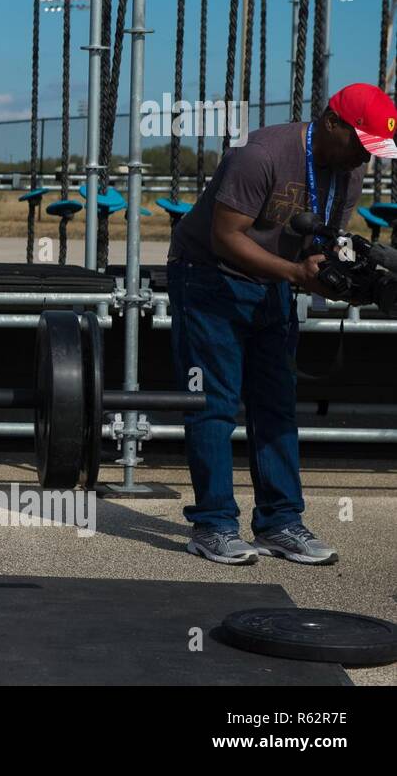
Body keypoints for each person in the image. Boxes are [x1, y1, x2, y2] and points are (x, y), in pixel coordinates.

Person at [167, 82, 397, 565]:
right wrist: (297, 273)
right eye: (362, 144)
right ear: (333, 122)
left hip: (272, 283)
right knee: (214, 401)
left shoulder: (346, 175)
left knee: (275, 404)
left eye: (373, 150)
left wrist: (333, 271)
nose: (365, 158)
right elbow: (227, 236)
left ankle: (280, 523)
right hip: (210, 275)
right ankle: (213, 525)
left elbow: (320, 242)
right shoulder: (260, 153)